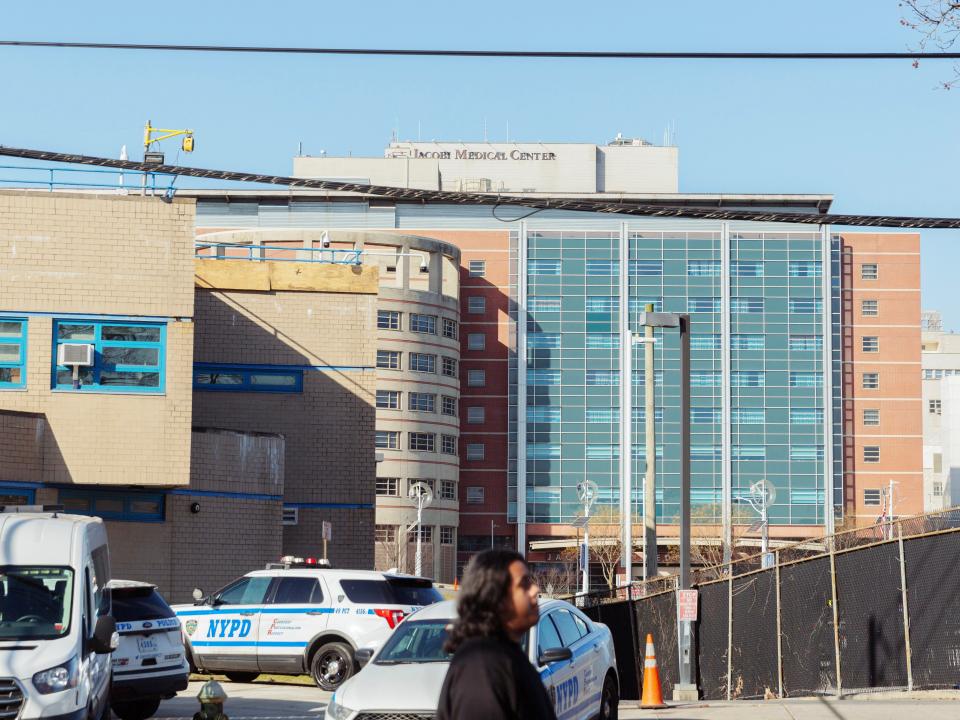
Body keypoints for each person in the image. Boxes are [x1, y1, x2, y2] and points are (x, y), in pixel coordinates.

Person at [436, 549, 557, 720]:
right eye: (524, 584)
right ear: (495, 598)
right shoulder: (482, 665)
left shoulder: (505, 654)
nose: (535, 589)